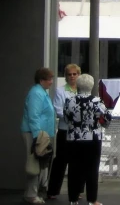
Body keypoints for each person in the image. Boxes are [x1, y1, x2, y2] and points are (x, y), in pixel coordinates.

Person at [64, 74, 111, 205]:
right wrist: (99, 124)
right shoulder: (97, 101)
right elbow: (107, 119)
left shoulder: (70, 101)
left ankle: (73, 200)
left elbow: (66, 119)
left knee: (74, 169)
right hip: (93, 138)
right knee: (92, 169)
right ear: (91, 86)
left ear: (78, 86)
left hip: (74, 138)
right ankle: (92, 199)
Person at [21, 68, 56, 204]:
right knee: (34, 163)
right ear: (41, 80)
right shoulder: (36, 93)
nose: (51, 82)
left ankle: (31, 193)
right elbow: (33, 116)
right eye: (49, 79)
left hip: (41, 134)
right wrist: (37, 137)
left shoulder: (41, 92)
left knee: (38, 162)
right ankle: (31, 195)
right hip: (34, 134)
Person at [47, 64, 81, 200]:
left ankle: (76, 191)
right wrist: (73, 118)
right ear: (66, 76)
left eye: (74, 74)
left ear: (79, 75)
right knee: (60, 161)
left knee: (78, 162)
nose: (72, 76)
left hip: (79, 132)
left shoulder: (82, 91)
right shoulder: (60, 91)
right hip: (65, 130)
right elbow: (58, 109)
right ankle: (52, 191)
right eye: (69, 74)